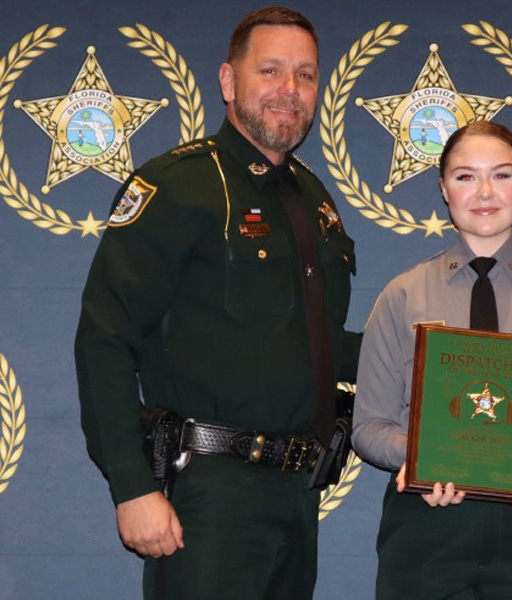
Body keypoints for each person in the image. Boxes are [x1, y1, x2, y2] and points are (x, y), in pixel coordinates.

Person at [74, 7, 359, 599]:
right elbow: (105, 338)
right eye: (271, 71)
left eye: (306, 75)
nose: (290, 90)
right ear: (229, 82)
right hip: (209, 492)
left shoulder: (314, 199)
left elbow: (315, 345)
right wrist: (131, 486)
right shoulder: (180, 186)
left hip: (297, 492)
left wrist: (428, 350)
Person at [352, 120, 512, 600]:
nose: (485, 191)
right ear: (443, 188)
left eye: (503, 174)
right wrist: (417, 455)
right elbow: (369, 426)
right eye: (466, 176)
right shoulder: (402, 296)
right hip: (426, 524)